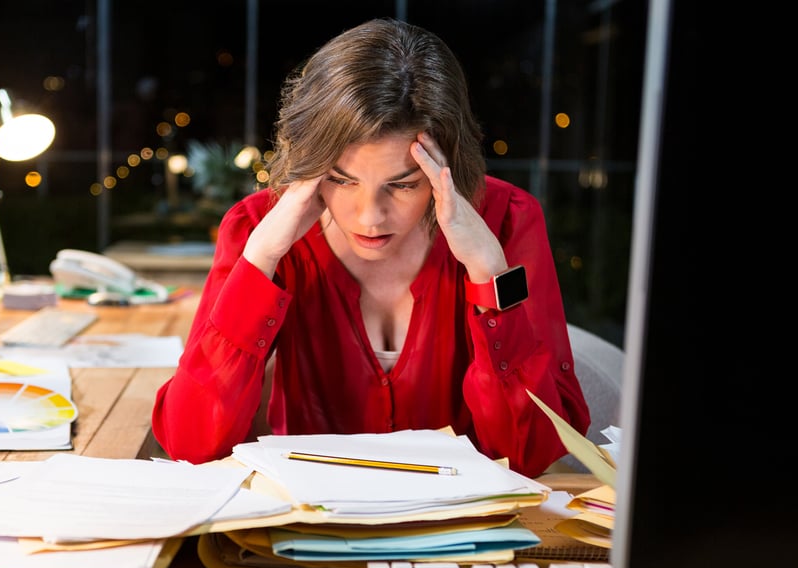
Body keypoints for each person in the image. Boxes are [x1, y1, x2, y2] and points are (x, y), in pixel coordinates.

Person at [152, 18, 589, 479]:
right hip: (309, 523)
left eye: (403, 184)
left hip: (458, 527)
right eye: (341, 180)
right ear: (309, 164)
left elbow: (532, 453)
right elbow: (190, 442)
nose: (369, 217)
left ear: (450, 166)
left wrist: (489, 274)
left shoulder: (507, 220)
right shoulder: (256, 228)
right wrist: (259, 262)